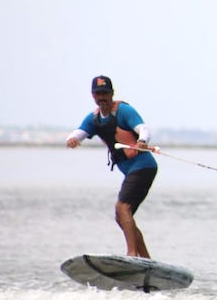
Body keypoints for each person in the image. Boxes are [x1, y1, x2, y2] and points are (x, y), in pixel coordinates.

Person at [65, 75, 158, 258]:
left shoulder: (123, 111)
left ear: (112, 94)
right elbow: (79, 132)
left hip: (143, 166)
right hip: (132, 171)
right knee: (123, 216)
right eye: (98, 94)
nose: (102, 97)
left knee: (122, 208)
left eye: (105, 93)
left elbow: (144, 129)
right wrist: (72, 139)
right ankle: (146, 260)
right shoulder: (94, 119)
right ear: (93, 95)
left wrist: (141, 141)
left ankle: (132, 254)